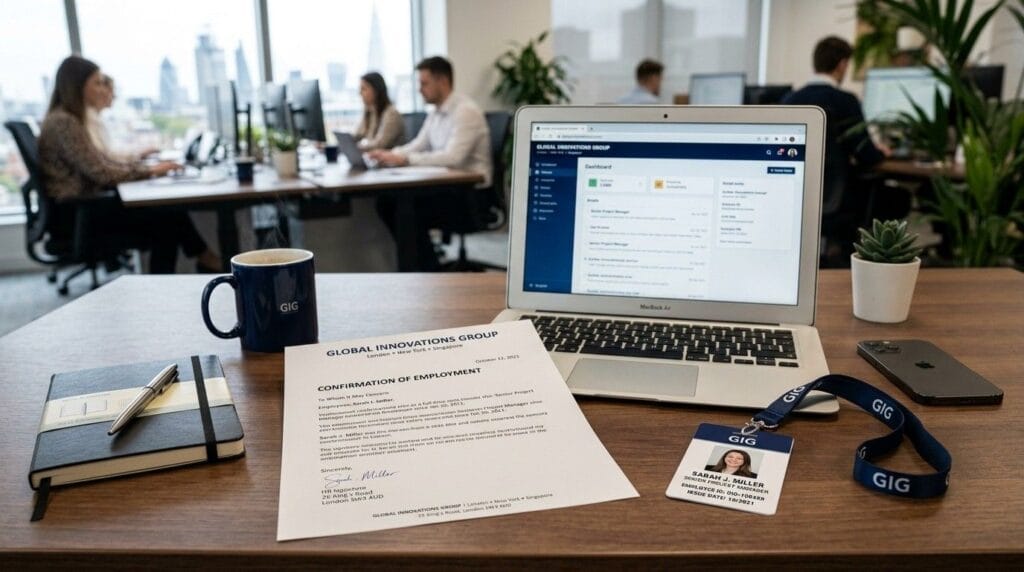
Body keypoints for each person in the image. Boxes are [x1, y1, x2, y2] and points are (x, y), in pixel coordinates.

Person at [37, 56, 220, 274]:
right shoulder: (64, 122)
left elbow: (102, 161)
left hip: (85, 208)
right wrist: (150, 171)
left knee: (167, 215)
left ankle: (200, 261)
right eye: (96, 82)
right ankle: (200, 262)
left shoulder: (68, 119)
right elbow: (100, 172)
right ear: (77, 85)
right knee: (167, 218)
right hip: (78, 215)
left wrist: (143, 166)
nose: (102, 88)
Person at [781, 36, 901, 266]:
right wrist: (881, 152)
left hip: (797, 197)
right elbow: (866, 155)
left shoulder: (789, 100)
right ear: (843, 65)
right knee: (897, 199)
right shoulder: (845, 101)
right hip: (838, 199)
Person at [368, 56, 492, 271]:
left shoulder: (466, 111)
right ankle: (426, 266)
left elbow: (453, 158)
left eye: (424, 83)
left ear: (442, 81)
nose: (419, 89)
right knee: (387, 202)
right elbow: (418, 144)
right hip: (447, 189)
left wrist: (405, 159)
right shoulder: (436, 113)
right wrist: (388, 154)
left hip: (470, 196)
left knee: (405, 206)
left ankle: (423, 269)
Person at [85, 74, 158, 162]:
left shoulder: (97, 117)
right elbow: (107, 156)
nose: (114, 96)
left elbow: (109, 152)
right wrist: (138, 156)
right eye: (111, 90)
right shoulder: (89, 118)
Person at [353, 72, 405, 150]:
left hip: (390, 160)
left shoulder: (391, 114)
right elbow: (358, 135)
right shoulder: (370, 112)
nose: (360, 93)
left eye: (364, 89)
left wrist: (357, 147)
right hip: (375, 159)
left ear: (376, 90)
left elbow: (380, 144)